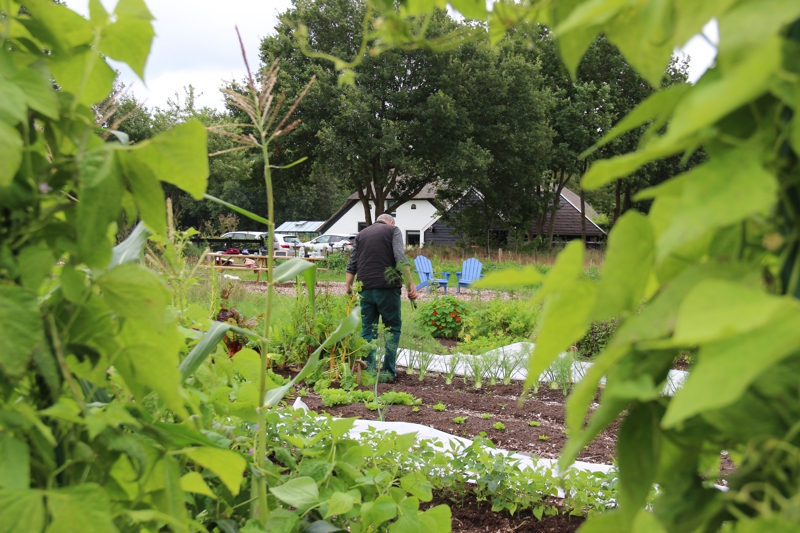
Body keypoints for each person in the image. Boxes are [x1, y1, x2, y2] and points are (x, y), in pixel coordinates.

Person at [345, 213, 418, 382]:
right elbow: (400, 258)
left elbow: (352, 264)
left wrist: (349, 289)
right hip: (387, 288)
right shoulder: (393, 230)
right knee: (392, 328)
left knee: (368, 329)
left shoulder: (361, 235)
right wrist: (411, 285)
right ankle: (388, 372)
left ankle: (369, 371)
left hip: (365, 289)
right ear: (391, 222)